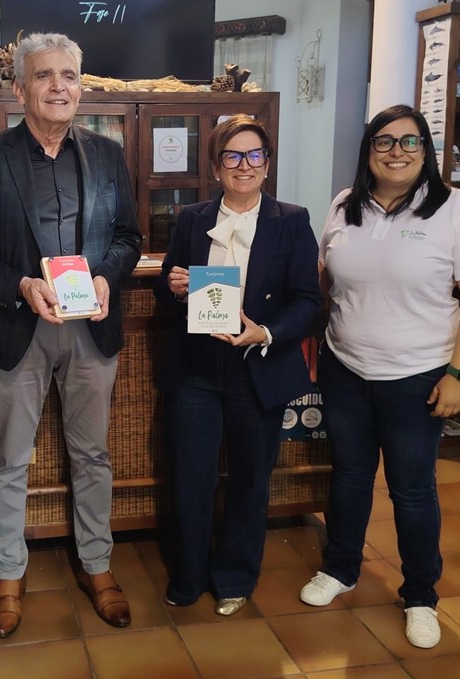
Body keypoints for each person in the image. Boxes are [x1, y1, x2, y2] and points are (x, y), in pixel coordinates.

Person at [0, 32, 142, 638]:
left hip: (91, 330)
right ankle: (8, 573)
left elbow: (128, 239)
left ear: (80, 87)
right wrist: (22, 285)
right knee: (9, 458)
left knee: (93, 455)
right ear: (20, 88)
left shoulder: (107, 154)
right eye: (44, 75)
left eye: (69, 76)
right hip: (17, 327)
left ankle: (97, 564)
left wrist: (107, 277)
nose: (58, 86)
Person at [299, 104, 460, 649]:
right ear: (369, 150)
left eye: (410, 142)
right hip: (346, 367)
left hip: (418, 375)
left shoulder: (455, 208)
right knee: (349, 476)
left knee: (411, 490)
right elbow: (324, 278)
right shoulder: (345, 204)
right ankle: (341, 567)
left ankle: (420, 595)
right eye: (384, 141)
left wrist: (459, 373)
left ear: (425, 151)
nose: (396, 152)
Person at [154, 115, 321, 616]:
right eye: (232, 155)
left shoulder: (291, 220)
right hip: (198, 370)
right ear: (215, 166)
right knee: (191, 476)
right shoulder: (192, 217)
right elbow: (168, 284)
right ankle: (188, 574)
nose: (243, 165)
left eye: (254, 155)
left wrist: (264, 332)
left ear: (267, 165)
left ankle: (234, 578)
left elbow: (308, 301)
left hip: (257, 368)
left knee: (250, 479)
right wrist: (174, 286)